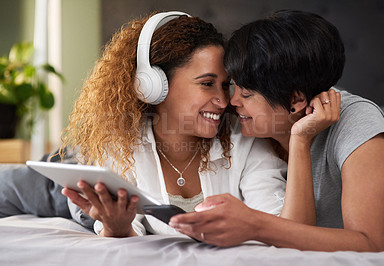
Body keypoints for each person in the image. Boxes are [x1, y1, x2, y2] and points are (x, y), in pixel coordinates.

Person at [169, 10, 384, 252]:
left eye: (247, 94)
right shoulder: (245, 124)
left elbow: (369, 242)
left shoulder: (357, 122)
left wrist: (255, 224)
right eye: (234, 87)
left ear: (297, 99)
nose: (232, 101)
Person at [60, 11, 287, 237]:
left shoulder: (245, 139)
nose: (223, 100)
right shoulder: (120, 141)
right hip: (80, 157)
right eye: (207, 83)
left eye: (225, 84)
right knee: (59, 196)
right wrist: (115, 227)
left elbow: (277, 222)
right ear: (154, 87)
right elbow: (123, 235)